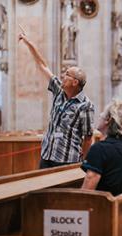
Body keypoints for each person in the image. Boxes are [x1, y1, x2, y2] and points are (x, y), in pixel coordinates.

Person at [19, 31, 94, 169]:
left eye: (67, 74)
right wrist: (29, 43)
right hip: (47, 155)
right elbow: (42, 65)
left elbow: (88, 138)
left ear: (75, 82)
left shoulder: (85, 105)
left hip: (67, 160)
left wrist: (84, 161)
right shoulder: (59, 91)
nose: (63, 76)